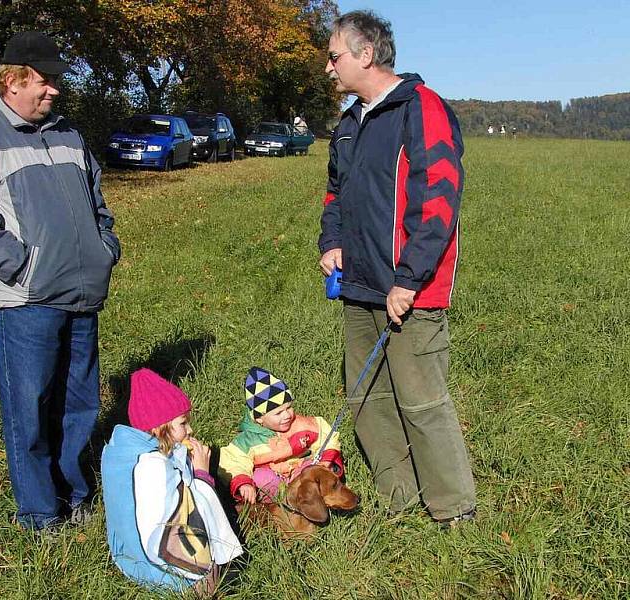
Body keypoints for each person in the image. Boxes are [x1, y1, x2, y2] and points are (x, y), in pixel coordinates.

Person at [0, 31, 120, 532]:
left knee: (79, 405)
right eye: (45, 81)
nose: (55, 91)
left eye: (56, 82)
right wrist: (24, 265)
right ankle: (41, 514)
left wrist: (104, 249)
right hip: (26, 301)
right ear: (14, 79)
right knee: (30, 411)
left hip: (82, 295)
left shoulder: (68, 134)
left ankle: (74, 494)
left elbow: (97, 205)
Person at [318, 10, 476, 526]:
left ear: (366, 55)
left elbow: (439, 199)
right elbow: (335, 193)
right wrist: (333, 242)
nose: (328, 67)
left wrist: (409, 278)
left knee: (422, 401)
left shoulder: (421, 109)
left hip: (412, 289)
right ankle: (399, 498)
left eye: (334, 56)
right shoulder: (349, 123)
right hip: (357, 285)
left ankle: (453, 510)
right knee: (366, 397)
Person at [101, 369, 243, 595]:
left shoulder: (124, 453)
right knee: (218, 577)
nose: (191, 430)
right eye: (183, 423)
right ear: (160, 427)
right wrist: (202, 475)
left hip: (128, 558)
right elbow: (184, 513)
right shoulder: (153, 466)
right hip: (161, 570)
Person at [218, 367, 344, 504]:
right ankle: (276, 505)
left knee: (315, 471)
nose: (286, 416)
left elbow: (327, 436)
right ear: (259, 419)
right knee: (262, 480)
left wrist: (326, 460)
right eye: (278, 413)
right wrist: (243, 482)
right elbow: (233, 460)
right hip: (273, 477)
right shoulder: (248, 440)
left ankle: (311, 503)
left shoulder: (303, 425)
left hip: (300, 469)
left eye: (288, 407)